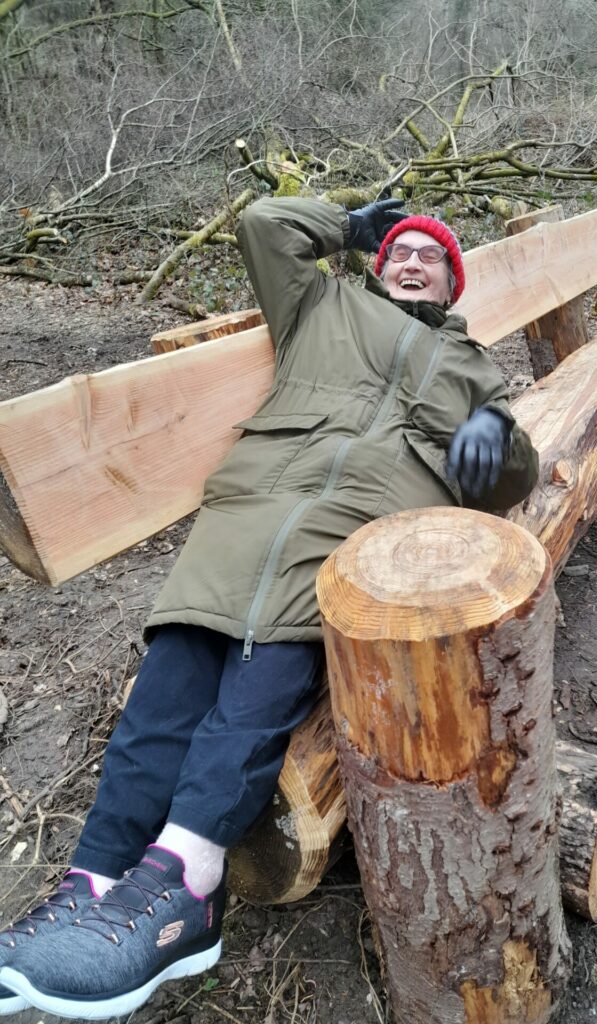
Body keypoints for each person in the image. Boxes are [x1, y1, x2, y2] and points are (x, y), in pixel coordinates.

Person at [0, 197, 539, 1018]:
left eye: (433, 255)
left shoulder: (474, 370)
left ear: (452, 282)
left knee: (252, 697)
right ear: (376, 261)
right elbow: (263, 227)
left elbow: (511, 475)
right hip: (250, 509)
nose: (413, 259)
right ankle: (92, 879)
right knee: (166, 692)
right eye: (399, 248)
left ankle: (186, 882)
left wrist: (495, 447)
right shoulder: (322, 304)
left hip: (352, 533)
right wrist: (347, 221)